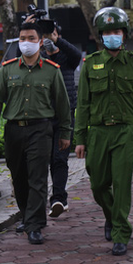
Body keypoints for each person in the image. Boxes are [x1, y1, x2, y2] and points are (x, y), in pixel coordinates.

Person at [74, 7, 133, 257]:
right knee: (98, 184)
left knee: (121, 184)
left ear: (125, 34)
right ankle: (111, 216)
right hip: (98, 133)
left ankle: (121, 233)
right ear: (101, 35)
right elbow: (83, 104)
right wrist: (80, 139)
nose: (113, 35)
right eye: (108, 31)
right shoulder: (90, 64)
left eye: (117, 31)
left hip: (125, 132)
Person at [0, 21, 72, 245]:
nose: (26, 43)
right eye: (22, 39)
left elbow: (63, 104)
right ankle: (27, 216)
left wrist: (65, 132)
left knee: (38, 178)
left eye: (31, 38)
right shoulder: (8, 69)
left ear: (41, 42)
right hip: (14, 130)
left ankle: (35, 225)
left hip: (40, 130)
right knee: (19, 178)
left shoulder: (52, 71)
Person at [41, 24, 82, 217]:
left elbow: (76, 54)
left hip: (65, 116)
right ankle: (39, 203)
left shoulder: (67, 57)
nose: (48, 38)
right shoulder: (38, 59)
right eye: (45, 35)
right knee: (43, 159)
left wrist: (57, 40)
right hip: (42, 116)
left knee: (59, 158)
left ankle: (59, 199)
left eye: (52, 34)